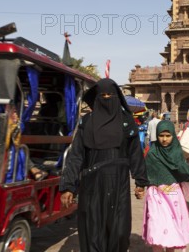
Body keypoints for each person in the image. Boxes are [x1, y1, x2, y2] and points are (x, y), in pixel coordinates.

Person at [59, 78, 149, 252]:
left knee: (120, 231)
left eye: (110, 95)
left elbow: (135, 153)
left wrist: (140, 181)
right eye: (103, 95)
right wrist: (68, 186)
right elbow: (76, 155)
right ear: (96, 97)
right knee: (93, 230)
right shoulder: (87, 122)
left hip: (119, 185)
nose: (106, 98)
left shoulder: (126, 121)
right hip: (92, 185)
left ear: (117, 97)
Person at [143, 120, 189, 252]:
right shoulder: (152, 153)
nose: (164, 139)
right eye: (161, 135)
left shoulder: (177, 152)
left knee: (172, 230)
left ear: (173, 135)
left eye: (168, 135)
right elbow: (146, 173)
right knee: (156, 227)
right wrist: (141, 186)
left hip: (174, 197)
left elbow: (184, 172)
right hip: (155, 196)